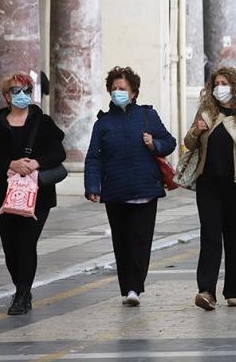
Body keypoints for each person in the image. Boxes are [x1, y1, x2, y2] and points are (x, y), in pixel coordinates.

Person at [85, 66, 177, 306]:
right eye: (114, 89)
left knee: (140, 240)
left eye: (122, 89)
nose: (118, 92)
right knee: (122, 241)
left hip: (145, 190)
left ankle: (136, 287)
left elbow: (169, 142)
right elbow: (94, 157)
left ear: (133, 92)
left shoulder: (147, 116)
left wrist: (153, 143)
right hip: (115, 192)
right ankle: (127, 288)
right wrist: (92, 186)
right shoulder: (103, 123)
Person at [0, 72, 66, 315]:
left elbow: (58, 154)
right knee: (10, 248)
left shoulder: (43, 122)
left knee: (26, 243)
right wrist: (11, 163)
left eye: (26, 90)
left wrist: (35, 163)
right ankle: (22, 287)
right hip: (3, 195)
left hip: (37, 194)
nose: (21, 95)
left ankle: (21, 295)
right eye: (16, 91)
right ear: (6, 96)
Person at [185, 67, 236, 310]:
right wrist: (196, 131)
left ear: (235, 86)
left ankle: (235, 290)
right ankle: (206, 291)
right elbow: (189, 143)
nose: (219, 87)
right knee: (210, 235)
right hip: (208, 183)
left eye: (224, 83)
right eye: (216, 83)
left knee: (235, 237)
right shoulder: (207, 111)